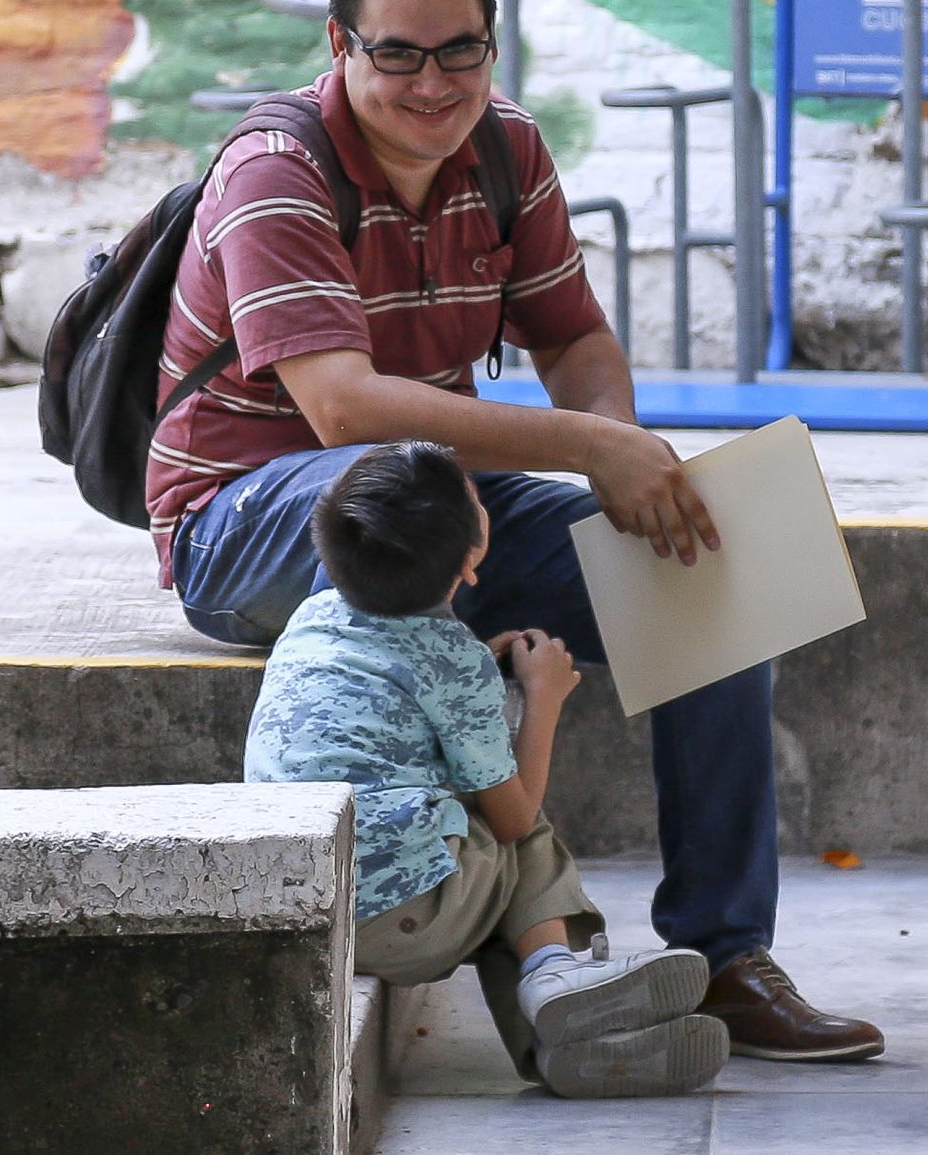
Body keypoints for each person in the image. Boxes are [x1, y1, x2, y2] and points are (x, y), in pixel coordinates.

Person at [150, 0, 882, 1062]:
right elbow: (342, 411)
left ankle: (726, 956)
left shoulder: (505, 148)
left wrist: (621, 455)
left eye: (461, 50)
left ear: (493, 41)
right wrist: (587, 449)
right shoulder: (275, 171)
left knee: (708, 570)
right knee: (397, 481)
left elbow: (573, 338)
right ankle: (534, 963)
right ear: (339, 45)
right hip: (245, 522)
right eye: (398, 53)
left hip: (432, 508)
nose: (432, 84)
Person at [246, 441, 728, 1097]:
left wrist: (474, 675)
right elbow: (514, 816)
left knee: (476, 860)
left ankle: (561, 1049)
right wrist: (544, 698)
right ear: (472, 560)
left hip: (309, 905)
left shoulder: (310, 618)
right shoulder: (455, 662)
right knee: (514, 837)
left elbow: (403, 681)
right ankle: (555, 970)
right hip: (404, 915)